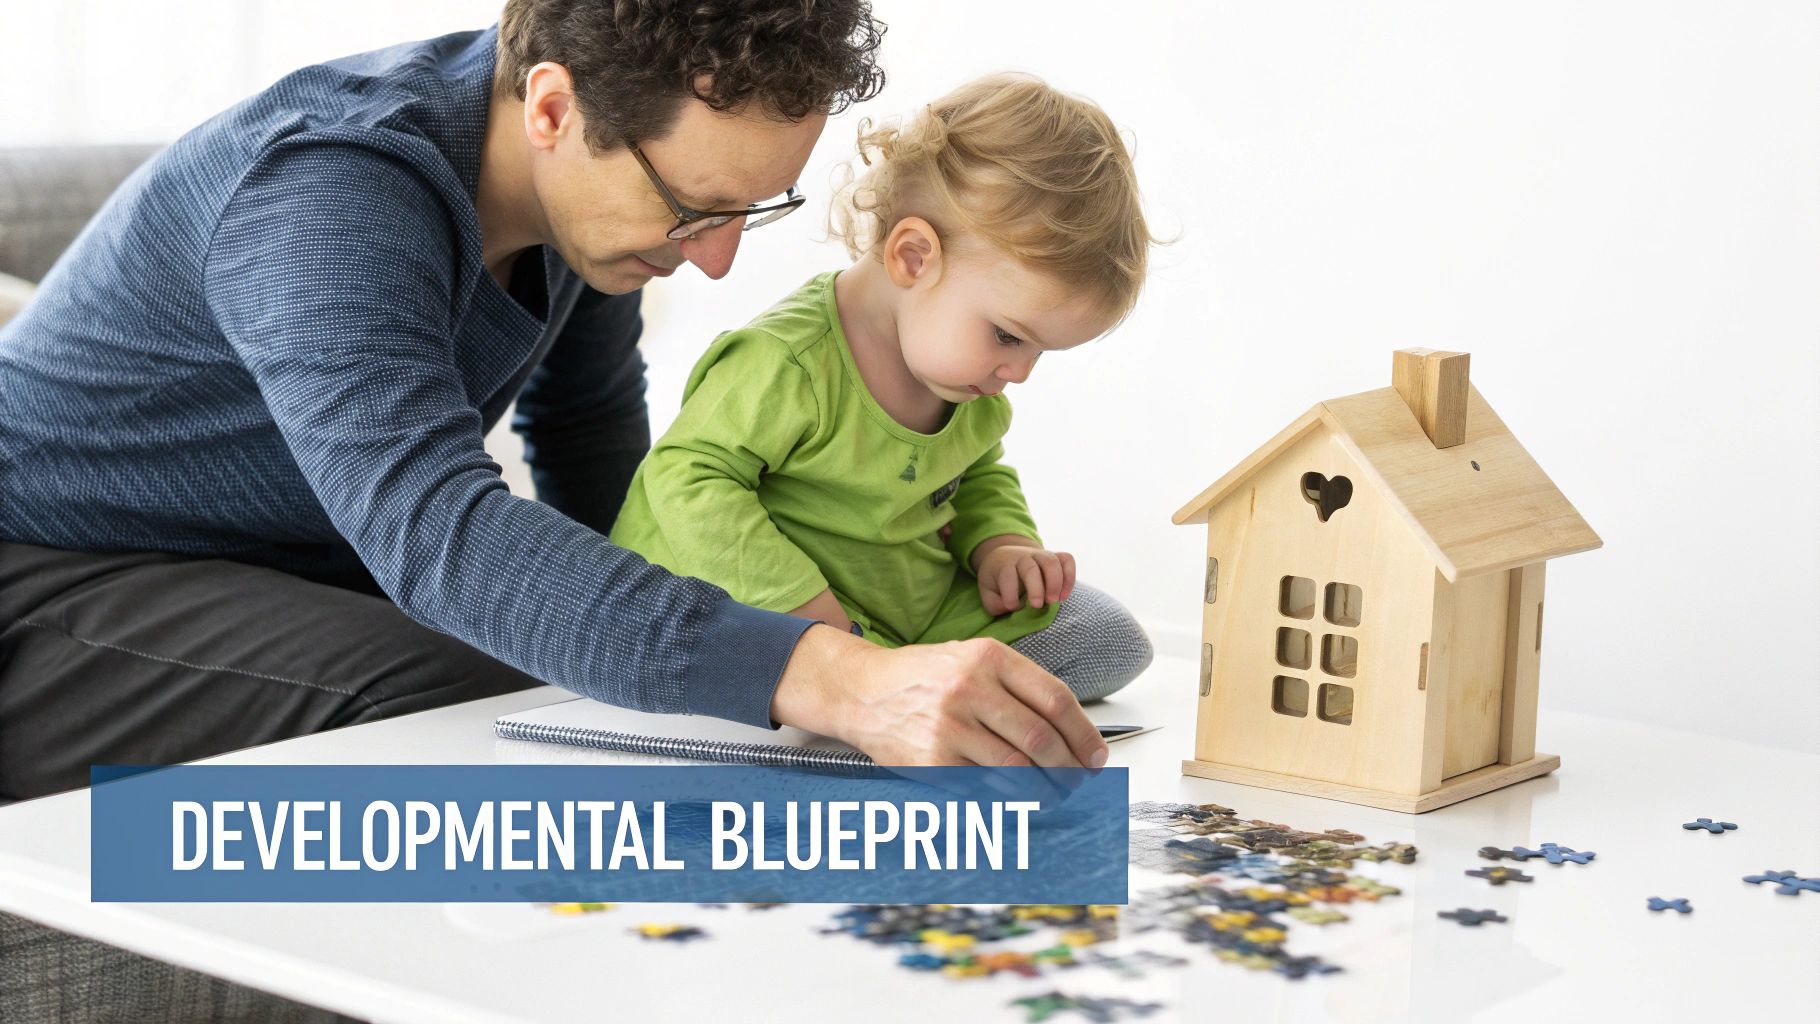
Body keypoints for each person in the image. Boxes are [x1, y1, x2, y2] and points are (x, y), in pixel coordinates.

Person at [0, 0, 1108, 802]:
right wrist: (832, 677)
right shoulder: (329, 194)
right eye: (692, 208)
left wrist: (764, 641)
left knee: (626, 697)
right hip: (47, 587)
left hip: (276, 582)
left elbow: (588, 444)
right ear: (551, 104)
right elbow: (437, 534)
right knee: (487, 702)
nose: (715, 260)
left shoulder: (580, 220)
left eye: (750, 210)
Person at [610, 74, 1155, 703]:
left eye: (1039, 351)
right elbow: (685, 477)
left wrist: (1003, 545)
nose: (1019, 373)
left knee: (1108, 637)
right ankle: (857, 694)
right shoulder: (789, 362)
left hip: (901, 615)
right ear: (915, 258)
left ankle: (907, 686)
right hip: (756, 610)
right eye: (1009, 336)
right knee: (707, 658)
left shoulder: (964, 380)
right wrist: (807, 616)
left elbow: (976, 473)